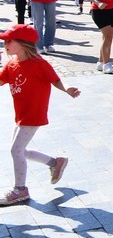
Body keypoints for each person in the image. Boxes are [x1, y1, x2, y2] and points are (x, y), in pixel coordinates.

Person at [0, 25, 80, 206]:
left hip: (33, 114)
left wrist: (67, 88)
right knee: (21, 151)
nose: (4, 44)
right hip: (21, 114)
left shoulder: (39, 64)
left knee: (15, 150)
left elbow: (56, 80)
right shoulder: (12, 64)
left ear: (23, 44)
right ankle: (55, 163)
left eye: (8, 40)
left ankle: (20, 190)